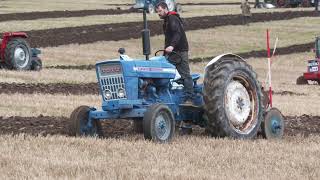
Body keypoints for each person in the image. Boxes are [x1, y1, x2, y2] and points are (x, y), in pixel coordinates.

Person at [156, 2, 194, 105]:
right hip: (172, 52)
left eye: (159, 11)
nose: (158, 13)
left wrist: (172, 46)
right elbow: (168, 39)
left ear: (165, 9)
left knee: (185, 74)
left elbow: (178, 33)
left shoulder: (172, 18)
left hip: (180, 51)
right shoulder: (166, 20)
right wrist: (164, 55)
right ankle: (165, 96)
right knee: (164, 71)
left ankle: (190, 99)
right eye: (157, 12)